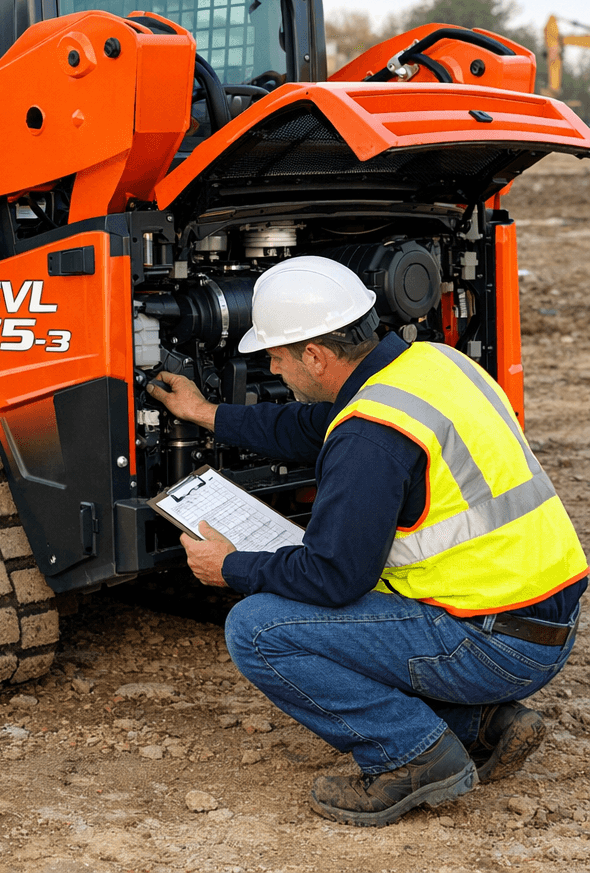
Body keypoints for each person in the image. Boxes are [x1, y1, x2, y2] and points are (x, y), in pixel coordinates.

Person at [147, 256, 587, 827]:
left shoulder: (369, 439)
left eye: (275, 357)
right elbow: (311, 427)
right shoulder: (432, 363)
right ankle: (481, 726)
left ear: (315, 356)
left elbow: (334, 578)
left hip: (494, 644)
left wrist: (231, 566)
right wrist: (204, 413)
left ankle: (411, 757)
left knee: (258, 629)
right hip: (543, 621)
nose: (272, 368)